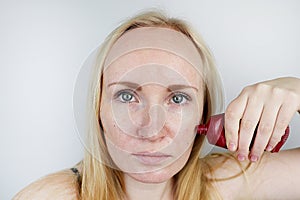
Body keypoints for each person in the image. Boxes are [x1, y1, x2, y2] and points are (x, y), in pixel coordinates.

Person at [14, 10, 300, 200]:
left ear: (203, 113)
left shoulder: (228, 181)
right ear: (98, 110)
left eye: (178, 98)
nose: (152, 130)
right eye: (127, 96)